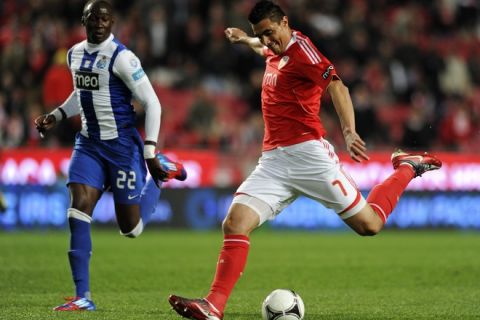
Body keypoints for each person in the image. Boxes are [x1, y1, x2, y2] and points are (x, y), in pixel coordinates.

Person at [168, 1, 442, 320]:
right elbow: (263, 49)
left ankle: (407, 167)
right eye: (262, 35)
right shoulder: (273, 45)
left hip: (309, 157)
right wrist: (246, 39)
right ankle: (214, 305)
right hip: (273, 161)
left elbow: (337, 86)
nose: (267, 40)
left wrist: (349, 131)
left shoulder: (303, 51)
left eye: (270, 32)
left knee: (370, 225)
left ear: (285, 22)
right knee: (235, 223)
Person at [34, 0, 186, 311]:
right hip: (89, 144)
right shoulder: (74, 54)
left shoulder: (123, 58)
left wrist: (151, 153)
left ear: (113, 22)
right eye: (94, 17)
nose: (100, 22)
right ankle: (83, 297)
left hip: (122, 148)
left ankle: (162, 175)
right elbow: (82, 93)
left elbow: (153, 104)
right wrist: (57, 115)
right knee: (78, 209)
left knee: (131, 229)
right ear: (84, 20)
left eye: (105, 18)